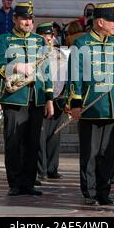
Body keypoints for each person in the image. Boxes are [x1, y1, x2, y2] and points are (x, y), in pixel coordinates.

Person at [66, 2, 114, 206]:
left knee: (107, 154)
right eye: (112, 21)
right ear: (100, 22)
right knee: (90, 153)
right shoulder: (81, 44)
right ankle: (90, 192)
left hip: (111, 107)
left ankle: (104, 191)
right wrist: (75, 103)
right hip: (90, 107)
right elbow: (74, 76)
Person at [0, 1, 54, 196]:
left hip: (36, 97)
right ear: (15, 19)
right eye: (24, 18)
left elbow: (46, 72)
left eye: (30, 19)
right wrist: (16, 67)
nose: (28, 22)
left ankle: (28, 182)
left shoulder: (39, 41)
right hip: (14, 97)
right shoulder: (4, 39)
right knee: (13, 142)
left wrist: (50, 99)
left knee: (32, 143)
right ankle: (15, 183)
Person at [36, 22, 65, 181]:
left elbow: (66, 76)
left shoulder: (60, 54)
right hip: (42, 98)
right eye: (46, 37)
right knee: (41, 136)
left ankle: (53, 168)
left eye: (51, 37)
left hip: (58, 99)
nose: (50, 40)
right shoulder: (37, 54)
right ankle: (42, 169)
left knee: (54, 136)